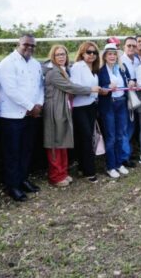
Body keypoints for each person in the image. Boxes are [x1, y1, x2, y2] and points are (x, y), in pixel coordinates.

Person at [0, 34, 44, 202]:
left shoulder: (36, 64)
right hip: (12, 117)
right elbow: (11, 90)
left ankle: (23, 179)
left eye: (32, 45)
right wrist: (31, 106)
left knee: (26, 150)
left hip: (32, 115)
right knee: (12, 152)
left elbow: (40, 87)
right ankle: (12, 186)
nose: (29, 48)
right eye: (26, 44)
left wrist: (38, 104)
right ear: (18, 44)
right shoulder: (6, 64)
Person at [42, 45, 98, 187]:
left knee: (62, 141)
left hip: (63, 108)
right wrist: (90, 89)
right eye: (58, 55)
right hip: (54, 109)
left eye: (63, 54)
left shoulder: (64, 70)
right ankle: (55, 176)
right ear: (53, 57)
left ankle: (62, 173)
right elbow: (70, 87)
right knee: (54, 142)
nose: (61, 57)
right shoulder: (53, 72)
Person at [98, 43, 135, 178]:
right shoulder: (100, 69)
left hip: (121, 104)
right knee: (111, 137)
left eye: (114, 54)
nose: (112, 56)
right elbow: (97, 87)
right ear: (105, 56)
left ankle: (119, 164)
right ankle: (111, 166)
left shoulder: (121, 68)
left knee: (121, 135)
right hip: (108, 105)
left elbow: (129, 80)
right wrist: (107, 86)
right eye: (109, 54)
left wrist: (131, 82)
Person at [70, 41, 102, 183]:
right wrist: (91, 90)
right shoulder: (78, 67)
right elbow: (74, 87)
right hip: (80, 107)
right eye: (88, 52)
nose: (92, 55)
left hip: (91, 106)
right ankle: (89, 171)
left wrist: (100, 90)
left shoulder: (94, 68)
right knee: (86, 138)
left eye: (94, 52)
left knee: (87, 137)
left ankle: (84, 167)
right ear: (82, 53)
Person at [120, 37, 140, 168]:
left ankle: (128, 152)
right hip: (124, 97)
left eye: (134, 45)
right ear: (124, 46)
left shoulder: (137, 60)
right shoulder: (120, 61)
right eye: (129, 46)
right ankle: (124, 157)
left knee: (132, 127)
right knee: (125, 128)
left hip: (135, 97)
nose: (131, 48)